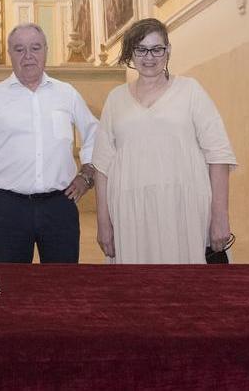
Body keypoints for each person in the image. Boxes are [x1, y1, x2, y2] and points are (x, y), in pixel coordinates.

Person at [92, 18, 237, 264]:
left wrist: (220, 216)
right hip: (131, 214)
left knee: (189, 293)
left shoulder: (191, 91)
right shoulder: (115, 99)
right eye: (141, 49)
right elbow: (102, 166)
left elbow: (219, 155)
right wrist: (103, 223)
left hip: (184, 210)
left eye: (157, 49)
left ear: (168, 50)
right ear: (131, 53)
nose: (150, 57)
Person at [0, 24, 99, 263]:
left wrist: (87, 174)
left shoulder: (67, 94)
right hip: (8, 209)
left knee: (63, 285)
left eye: (35, 48)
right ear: (10, 54)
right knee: (10, 287)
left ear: (46, 50)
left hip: (60, 207)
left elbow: (95, 133)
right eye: (19, 49)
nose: (28, 56)